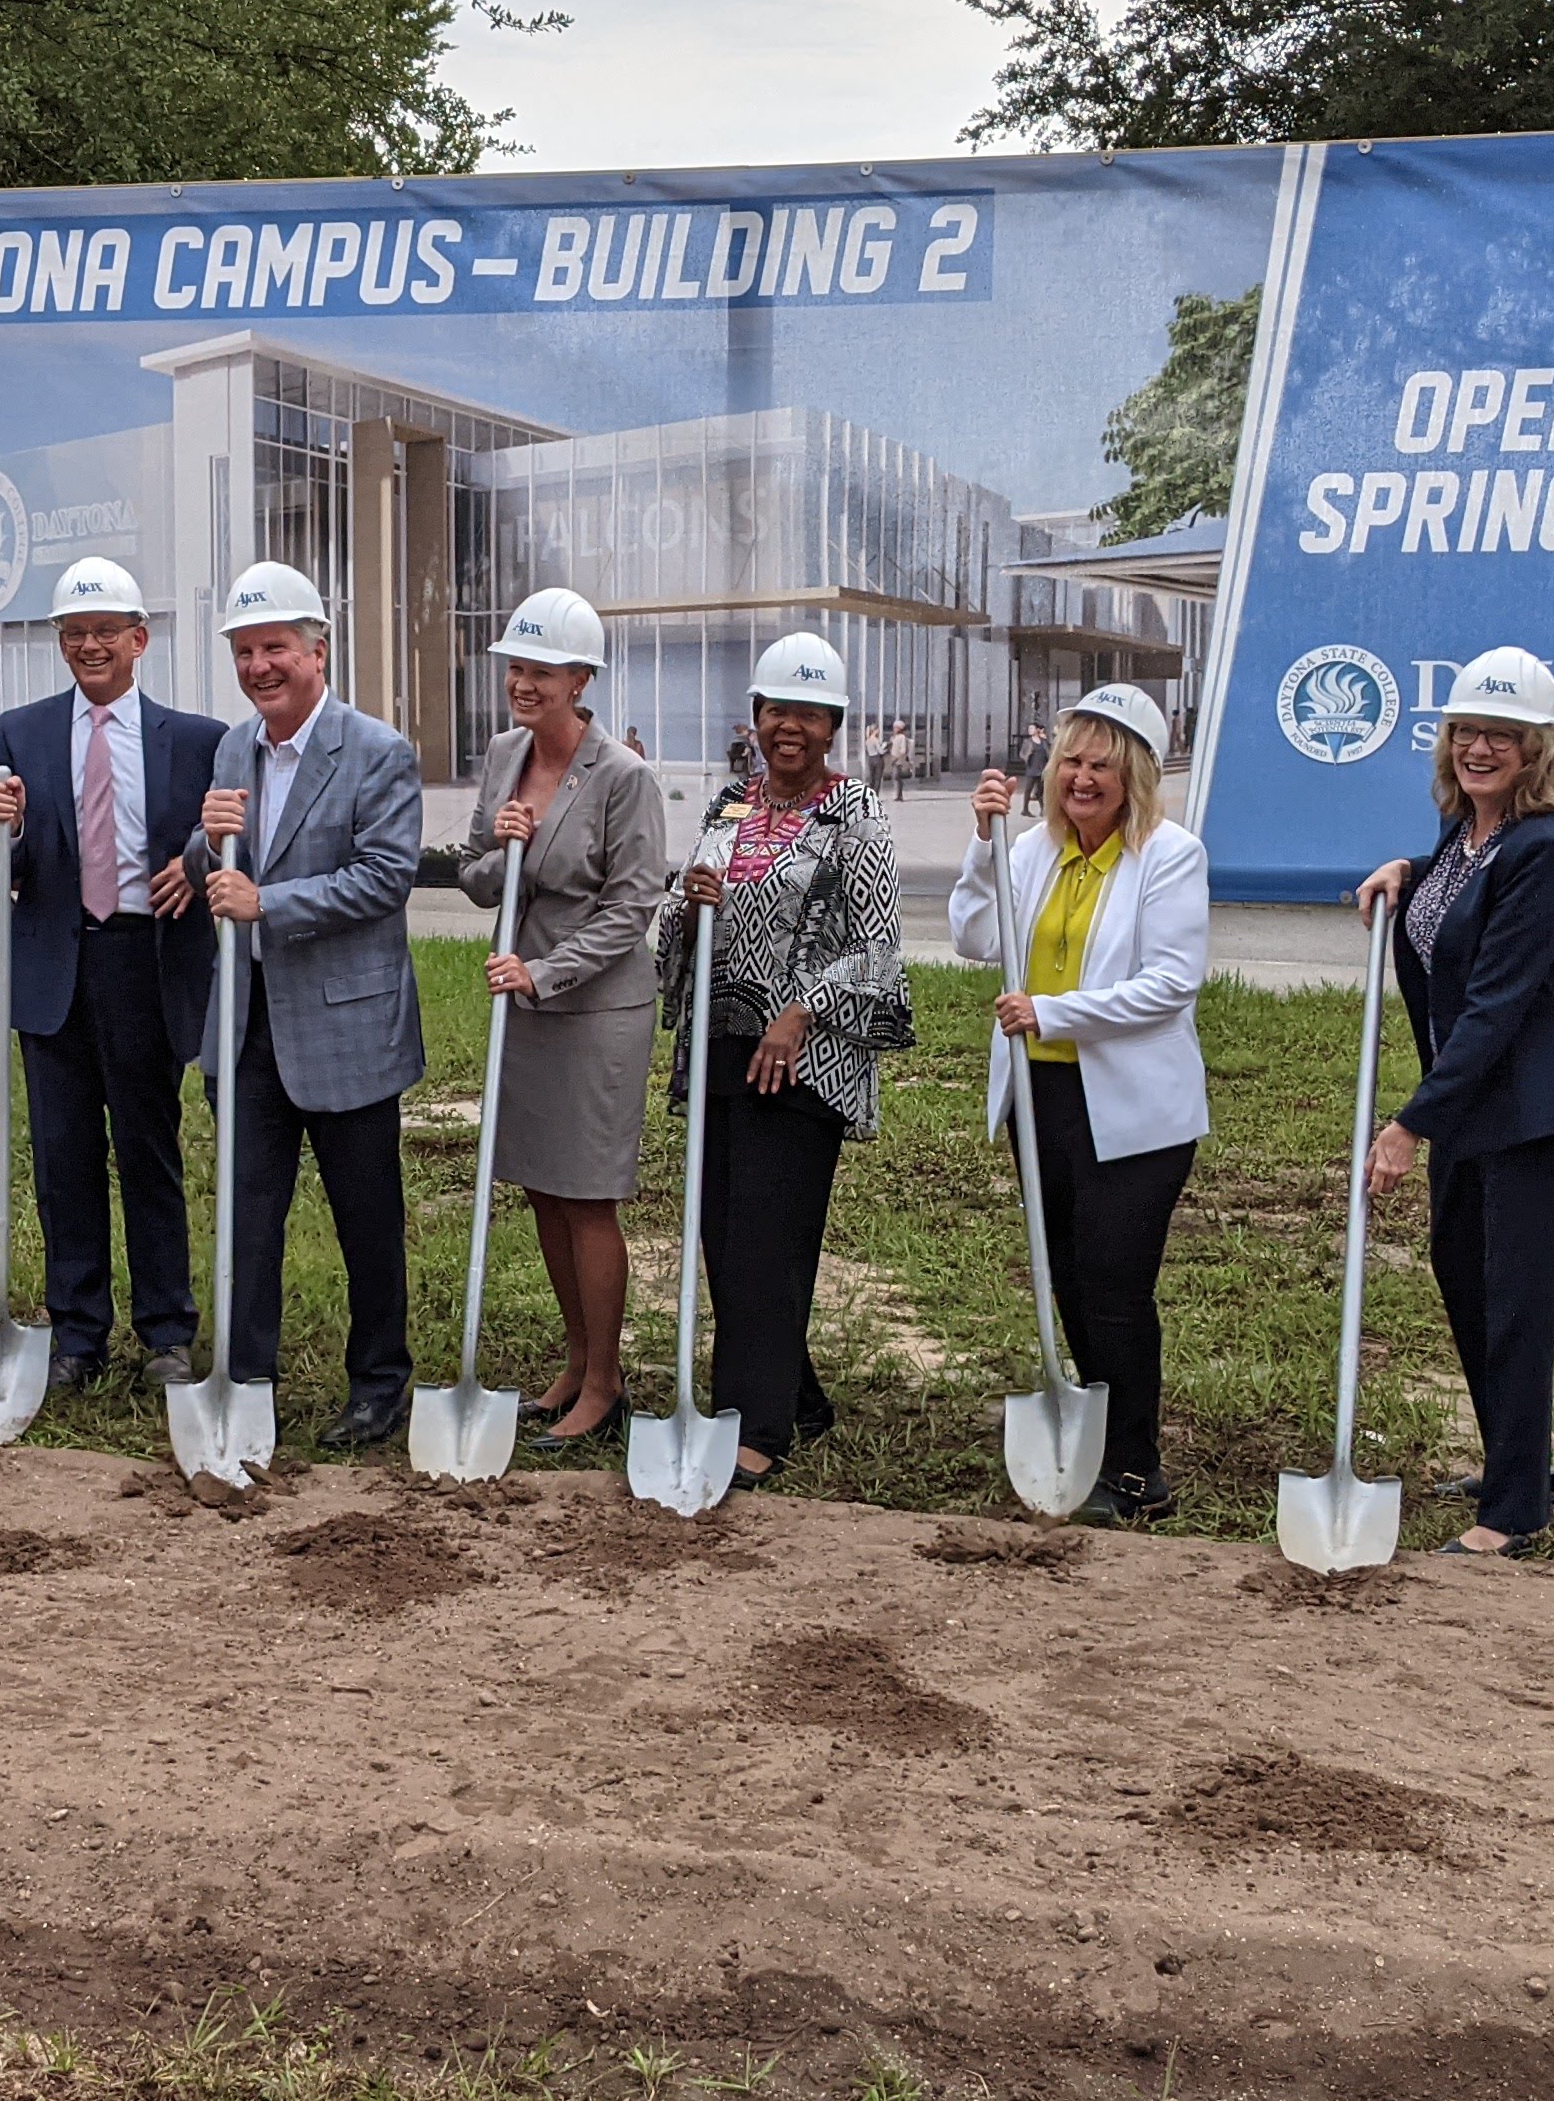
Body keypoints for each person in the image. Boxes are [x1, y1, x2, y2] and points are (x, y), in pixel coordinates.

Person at [1348, 646, 1554, 1560]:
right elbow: (1458, 921)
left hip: (1535, 1114)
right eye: (1468, 729)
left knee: (1515, 1301)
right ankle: (1520, 1460)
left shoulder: (1542, 849)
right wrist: (1408, 875)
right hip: (1477, 1111)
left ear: (1536, 748)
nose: (1480, 747)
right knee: (1466, 1277)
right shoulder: (1469, 836)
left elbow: (1498, 1002)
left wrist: (1408, 1123)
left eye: (1502, 734)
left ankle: (1513, 1514)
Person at [657, 631, 912, 1485]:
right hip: (722, 1048)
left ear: (834, 724)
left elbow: (878, 952)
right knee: (723, 1241)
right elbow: (674, 926)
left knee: (769, 1241)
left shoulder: (858, 817)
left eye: (808, 712)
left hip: (801, 1066)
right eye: (775, 711)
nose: (788, 727)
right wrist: (686, 907)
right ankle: (798, 1394)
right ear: (755, 718)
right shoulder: (729, 804)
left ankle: (755, 1427)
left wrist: (800, 1011)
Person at [953, 682, 1210, 1522]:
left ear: (1134, 772)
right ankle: (1092, 1437)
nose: (1083, 777)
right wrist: (983, 847)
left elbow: (1172, 985)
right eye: (1072, 760)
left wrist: (1053, 1013)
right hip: (1044, 1097)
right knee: (1064, 1275)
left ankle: (1137, 1469)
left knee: (1113, 1282)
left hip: (1133, 1110)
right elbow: (976, 940)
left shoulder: (1169, 856)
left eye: (1103, 763)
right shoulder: (1030, 851)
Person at [186, 558, 424, 1450]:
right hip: (246, 1026)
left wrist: (268, 905)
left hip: (346, 1025)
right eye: (245, 652)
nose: (259, 667)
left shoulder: (375, 750)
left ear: (317, 651)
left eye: (274, 647)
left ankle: (380, 1382)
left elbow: (386, 877)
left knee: (366, 1218)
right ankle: (246, 1380)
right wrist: (208, 849)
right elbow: (210, 868)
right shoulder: (231, 747)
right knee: (246, 1218)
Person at [0, 557, 220, 1399]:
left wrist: (194, 862)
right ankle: (77, 1334)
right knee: (63, 1158)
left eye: (104, 633)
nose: (88, 647)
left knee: (148, 1154)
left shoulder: (194, 740)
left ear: (138, 640)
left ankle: (165, 1334)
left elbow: (216, 839)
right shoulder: (24, 729)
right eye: (73, 634)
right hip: (54, 966)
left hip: (143, 964)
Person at [445, 588, 669, 1447]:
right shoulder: (504, 755)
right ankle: (574, 1363)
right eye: (516, 667)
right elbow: (473, 878)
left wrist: (544, 973)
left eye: (540, 670)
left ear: (582, 679)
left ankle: (606, 1383)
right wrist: (502, 849)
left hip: (595, 1008)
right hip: (524, 996)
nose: (522, 683)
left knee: (587, 1199)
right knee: (541, 1188)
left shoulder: (624, 776)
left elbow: (630, 908)